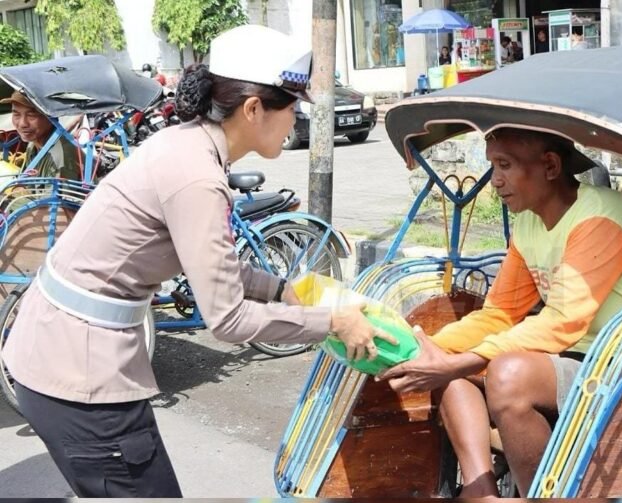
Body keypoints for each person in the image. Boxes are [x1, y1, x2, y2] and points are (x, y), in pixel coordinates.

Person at [3, 24, 395, 498]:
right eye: (292, 109)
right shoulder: (196, 176)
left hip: (62, 355)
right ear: (254, 109)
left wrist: (281, 289)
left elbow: (208, 264)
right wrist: (333, 322)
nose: (295, 122)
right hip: (79, 376)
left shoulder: (186, 144)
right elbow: (227, 318)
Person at [379, 127, 622, 497]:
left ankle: (542, 494)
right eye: (492, 167)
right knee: (447, 360)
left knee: (507, 374)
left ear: (550, 166)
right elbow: (500, 313)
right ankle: (482, 492)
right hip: (580, 356)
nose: (496, 182)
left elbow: (562, 323)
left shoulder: (600, 214)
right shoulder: (528, 223)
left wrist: (463, 361)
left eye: (504, 166)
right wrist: (422, 347)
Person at [1, 90, 81, 180]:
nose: (23, 123)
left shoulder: (60, 157)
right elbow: (25, 183)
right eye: (16, 114)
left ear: (50, 116)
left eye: (31, 115)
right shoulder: (33, 145)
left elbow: (60, 193)